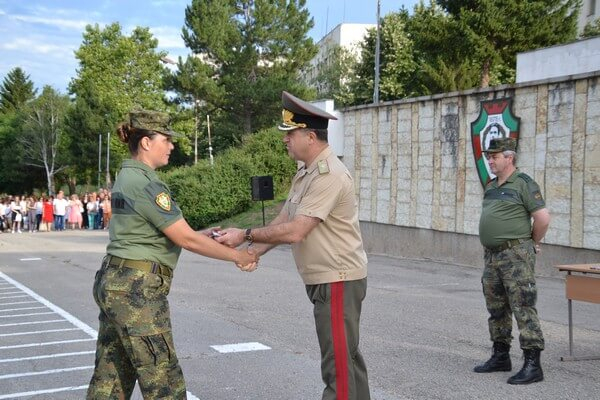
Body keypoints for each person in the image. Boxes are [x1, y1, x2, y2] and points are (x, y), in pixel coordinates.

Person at [87, 109, 258, 400]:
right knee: (164, 381)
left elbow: (153, 232)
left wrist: (203, 236)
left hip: (116, 282)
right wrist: (239, 257)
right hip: (136, 291)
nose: (172, 145)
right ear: (145, 142)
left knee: (111, 379)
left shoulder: (126, 175)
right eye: (166, 139)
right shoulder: (146, 183)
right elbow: (186, 239)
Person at [217, 91, 370, 400]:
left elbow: (296, 231)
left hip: (337, 280)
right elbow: (284, 219)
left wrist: (244, 233)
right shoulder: (306, 172)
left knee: (338, 368)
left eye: (291, 133)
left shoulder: (329, 175)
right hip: (326, 279)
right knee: (346, 360)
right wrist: (251, 251)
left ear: (310, 136)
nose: (285, 140)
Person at [474, 137, 551, 385]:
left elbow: (542, 219)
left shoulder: (524, 184)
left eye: (494, 157)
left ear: (509, 157)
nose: (490, 161)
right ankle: (500, 356)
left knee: (523, 305)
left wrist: (531, 242)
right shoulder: (491, 185)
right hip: (492, 255)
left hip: (515, 254)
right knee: (496, 306)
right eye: (489, 157)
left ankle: (532, 364)